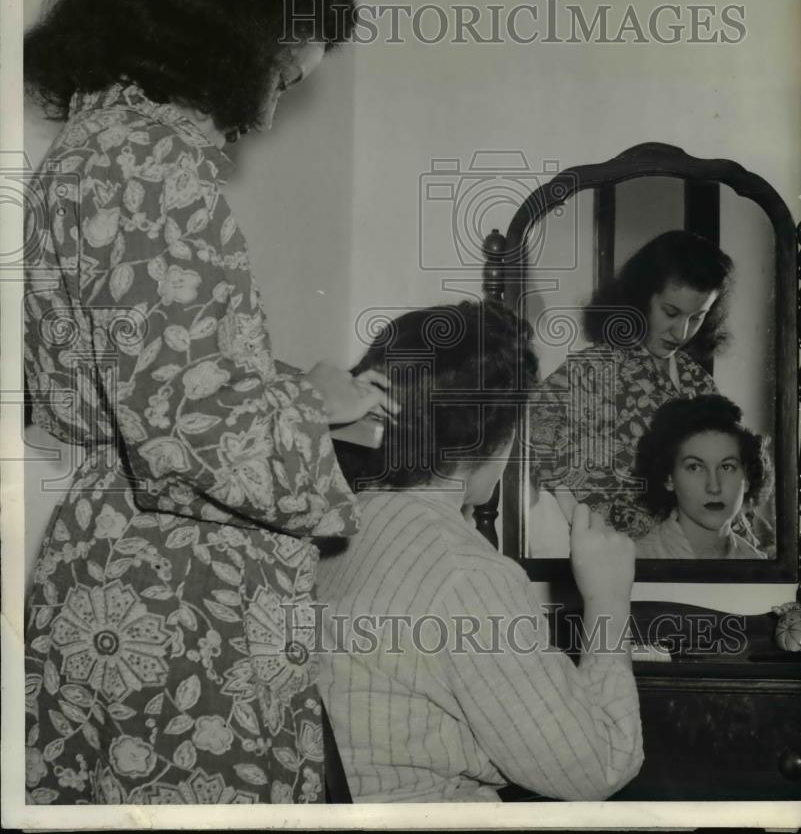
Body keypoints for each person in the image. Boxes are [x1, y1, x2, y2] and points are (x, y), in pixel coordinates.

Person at [22, 0, 395, 805]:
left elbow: (133, 390)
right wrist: (311, 404)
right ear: (221, 41)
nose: (267, 118)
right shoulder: (152, 167)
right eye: (278, 78)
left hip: (117, 573)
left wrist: (288, 388)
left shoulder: (86, 152)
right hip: (179, 593)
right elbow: (191, 434)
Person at [316, 301, 643, 802]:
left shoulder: (331, 528)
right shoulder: (465, 575)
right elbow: (595, 769)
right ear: (499, 436)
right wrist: (608, 603)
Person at [528, 229, 737, 543]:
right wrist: (573, 513)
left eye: (697, 318)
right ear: (641, 297)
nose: (681, 332)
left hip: (693, 555)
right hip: (614, 554)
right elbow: (529, 433)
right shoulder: (592, 368)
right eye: (671, 312)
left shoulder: (699, 383)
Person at [634, 395, 770, 559]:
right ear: (669, 478)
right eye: (695, 467)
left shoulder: (758, 563)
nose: (714, 487)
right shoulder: (638, 560)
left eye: (727, 467)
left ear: (747, 479)